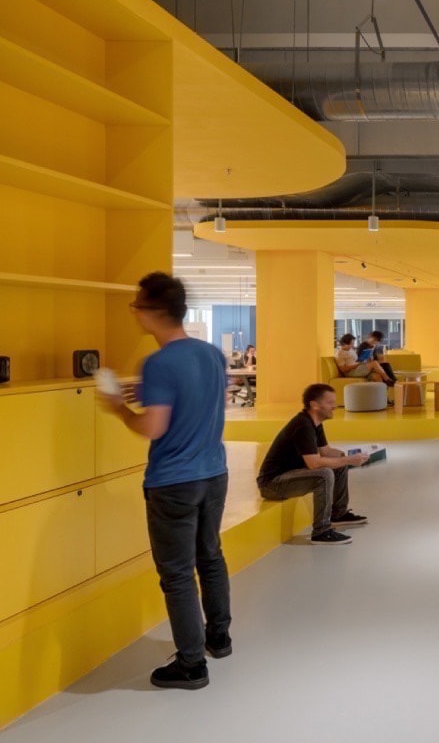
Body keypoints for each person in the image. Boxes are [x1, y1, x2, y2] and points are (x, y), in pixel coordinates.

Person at [97, 272, 231, 690]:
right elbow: (202, 402)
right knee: (210, 557)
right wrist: (153, 395)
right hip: (214, 473)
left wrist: (119, 408)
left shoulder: (158, 363)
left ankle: (191, 665)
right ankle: (219, 637)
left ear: (152, 312)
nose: (134, 313)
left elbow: (153, 428)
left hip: (174, 482)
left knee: (176, 574)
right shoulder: (212, 354)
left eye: (136, 306)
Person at [257, 383, 370, 545]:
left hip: (290, 476)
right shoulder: (303, 425)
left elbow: (325, 451)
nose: (334, 406)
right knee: (325, 474)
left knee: (339, 464)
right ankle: (321, 531)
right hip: (272, 484)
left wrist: (353, 455)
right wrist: (348, 460)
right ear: (314, 405)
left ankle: (338, 514)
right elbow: (314, 464)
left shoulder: (315, 423)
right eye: (329, 402)